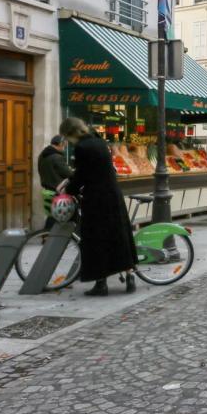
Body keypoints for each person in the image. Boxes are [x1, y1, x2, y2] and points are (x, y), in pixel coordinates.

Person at [59, 118, 136, 297]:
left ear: (71, 133)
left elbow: (82, 174)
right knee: (119, 235)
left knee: (96, 240)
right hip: (113, 195)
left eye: (67, 137)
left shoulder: (82, 148)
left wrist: (69, 190)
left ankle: (101, 284)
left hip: (96, 198)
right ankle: (130, 275)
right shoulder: (100, 142)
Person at [37, 135, 72, 229]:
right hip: (56, 190)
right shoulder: (57, 157)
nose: (64, 149)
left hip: (47, 190)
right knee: (55, 216)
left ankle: (46, 236)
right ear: (60, 144)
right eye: (64, 146)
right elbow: (68, 174)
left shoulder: (43, 155)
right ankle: (48, 237)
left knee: (52, 215)